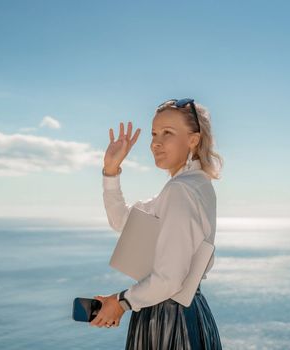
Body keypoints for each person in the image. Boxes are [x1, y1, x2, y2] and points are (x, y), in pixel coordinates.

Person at [91, 98, 224, 349]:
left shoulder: (180, 190)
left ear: (193, 140)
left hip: (168, 321)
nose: (156, 143)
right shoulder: (196, 184)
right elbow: (123, 221)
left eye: (168, 133)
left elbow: (169, 279)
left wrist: (120, 302)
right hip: (188, 313)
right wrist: (111, 170)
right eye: (154, 133)